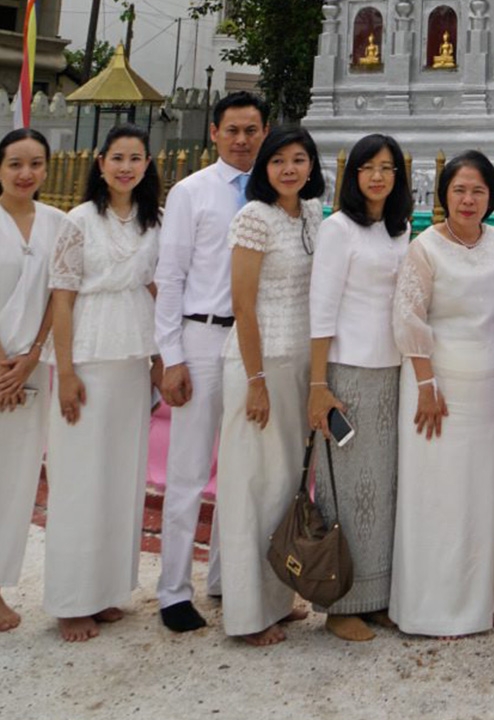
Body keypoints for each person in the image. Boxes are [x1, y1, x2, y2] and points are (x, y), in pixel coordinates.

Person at [390, 150, 494, 638]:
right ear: (444, 194)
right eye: (459, 190)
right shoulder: (425, 247)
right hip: (438, 385)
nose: (468, 199)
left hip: (490, 382)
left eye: (478, 191)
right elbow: (409, 317)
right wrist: (425, 383)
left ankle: (485, 594)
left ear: (492, 197)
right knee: (440, 493)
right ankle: (436, 602)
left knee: (486, 491)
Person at [154, 91, 269, 633]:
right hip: (202, 340)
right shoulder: (190, 193)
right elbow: (170, 277)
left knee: (244, 468)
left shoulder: (273, 193)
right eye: (233, 130)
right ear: (215, 134)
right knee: (188, 471)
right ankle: (174, 589)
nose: (242, 139)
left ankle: (228, 577)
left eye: (251, 130)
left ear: (265, 132)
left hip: (254, 347)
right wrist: (170, 356)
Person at [45, 124, 163, 642]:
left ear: (146, 165)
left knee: (121, 474)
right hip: (88, 355)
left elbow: (158, 288)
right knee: (80, 478)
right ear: (100, 163)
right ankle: (72, 599)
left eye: (136, 158)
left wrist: (161, 359)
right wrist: (66, 371)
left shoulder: (150, 221)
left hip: (132, 355)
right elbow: (63, 297)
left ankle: (109, 589)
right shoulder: (78, 221)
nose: (126, 167)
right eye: (118, 157)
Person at [216, 127, 325, 646]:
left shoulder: (311, 213)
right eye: (278, 160)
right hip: (258, 365)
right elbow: (242, 306)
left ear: (311, 166)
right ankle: (247, 613)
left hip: (301, 363)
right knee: (252, 485)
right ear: (264, 167)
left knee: (285, 485)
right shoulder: (253, 218)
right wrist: (255, 380)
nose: (289, 169)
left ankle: (278, 597)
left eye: (299, 159)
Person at [307, 134, 413, 641]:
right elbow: (321, 310)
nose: (378, 177)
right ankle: (340, 601)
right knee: (347, 489)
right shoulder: (337, 229)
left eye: (388, 168)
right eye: (369, 168)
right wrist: (317, 384)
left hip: (392, 371)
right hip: (348, 371)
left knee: (385, 487)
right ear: (353, 175)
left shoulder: (400, 229)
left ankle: (377, 595)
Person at [0, 128, 64, 633]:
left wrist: (30, 357)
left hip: (33, 368)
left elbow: (58, 298)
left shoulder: (58, 225)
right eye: (15, 164)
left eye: (36, 164)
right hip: (2, 364)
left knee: (18, 481)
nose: (26, 174)